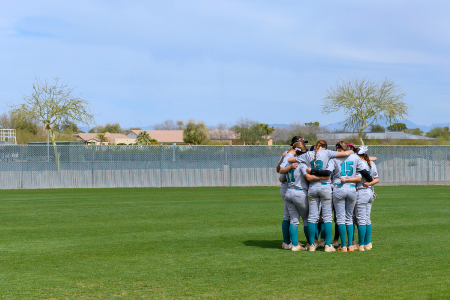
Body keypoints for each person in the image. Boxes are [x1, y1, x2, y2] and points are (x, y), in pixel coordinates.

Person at [289, 140, 353, 252]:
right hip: (325, 187)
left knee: (312, 217)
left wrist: (288, 156)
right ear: (324, 146)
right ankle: (328, 245)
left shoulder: (308, 154)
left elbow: (290, 159)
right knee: (327, 217)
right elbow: (346, 153)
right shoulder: (327, 152)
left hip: (312, 187)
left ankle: (312, 245)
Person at [323, 141, 373, 252]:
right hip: (352, 189)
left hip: (339, 188)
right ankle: (350, 244)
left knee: (340, 219)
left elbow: (327, 172)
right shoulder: (355, 157)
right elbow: (363, 172)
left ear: (337, 149)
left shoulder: (334, 158)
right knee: (349, 218)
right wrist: (369, 179)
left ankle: (343, 246)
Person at [280, 142, 328, 251]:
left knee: (293, 220)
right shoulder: (302, 165)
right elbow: (308, 177)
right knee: (307, 220)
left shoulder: (288, 164)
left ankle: (295, 245)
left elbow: (282, 178)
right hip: (300, 193)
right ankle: (310, 243)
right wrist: (322, 178)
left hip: (289, 192)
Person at [275, 136, 308, 250]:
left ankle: (293, 242)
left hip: (290, 188)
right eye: (302, 143)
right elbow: (281, 174)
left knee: (291, 217)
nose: (304, 145)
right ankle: (287, 241)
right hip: (290, 187)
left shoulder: (292, 156)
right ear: (295, 145)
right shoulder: (288, 155)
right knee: (291, 216)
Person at [354, 146, 379, 251]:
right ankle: (368, 243)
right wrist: (369, 183)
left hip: (361, 191)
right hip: (369, 192)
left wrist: (365, 184)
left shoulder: (358, 164)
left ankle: (360, 244)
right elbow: (376, 179)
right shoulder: (371, 163)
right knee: (367, 219)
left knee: (361, 220)